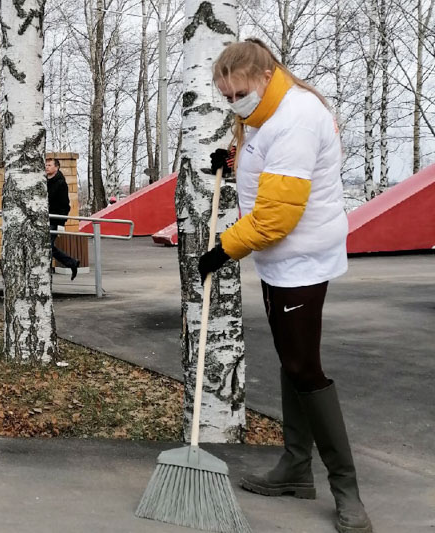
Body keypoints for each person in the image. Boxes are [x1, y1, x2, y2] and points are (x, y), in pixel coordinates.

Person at [198, 39, 372, 533]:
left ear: (261, 76)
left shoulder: (296, 116)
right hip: (280, 261)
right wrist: (231, 163)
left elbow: (275, 216)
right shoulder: (266, 112)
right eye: (227, 98)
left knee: (304, 366)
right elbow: (264, 168)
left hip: (301, 258)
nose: (234, 105)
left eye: (236, 95)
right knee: (292, 359)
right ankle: (296, 468)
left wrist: (223, 249)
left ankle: (347, 489)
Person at [46, 158, 78, 280]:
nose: (47, 167)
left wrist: (61, 223)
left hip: (54, 219)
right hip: (44, 219)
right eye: (46, 164)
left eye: (49, 165)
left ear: (56, 167)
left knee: (47, 246)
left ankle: (71, 263)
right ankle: (72, 263)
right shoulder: (44, 181)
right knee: (46, 246)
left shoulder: (60, 183)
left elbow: (65, 205)